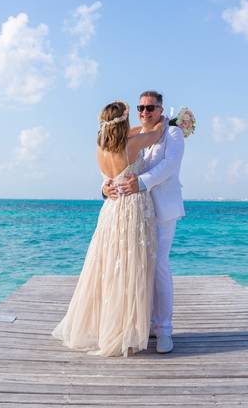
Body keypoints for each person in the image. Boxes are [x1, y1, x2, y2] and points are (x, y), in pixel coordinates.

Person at [52, 101, 166, 357]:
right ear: (123, 121)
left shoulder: (100, 148)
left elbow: (135, 134)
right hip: (133, 208)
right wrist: (166, 117)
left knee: (110, 267)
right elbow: (156, 133)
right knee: (132, 267)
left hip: (111, 210)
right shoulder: (133, 144)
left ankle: (112, 326)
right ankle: (127, 330)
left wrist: (105, 188)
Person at [104, 90, 185, 354]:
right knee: (137, 267)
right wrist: (104, 187)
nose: (145, 112)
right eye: (141, 108)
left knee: (159, 264)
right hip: (133, 213)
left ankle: (164, 330)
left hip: (161, 210)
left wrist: (140, 183)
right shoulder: (134, 134)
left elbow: (169, 166)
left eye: (151, 108)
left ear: (161, 109)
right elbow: (115, 165)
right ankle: (144, 324)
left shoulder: (173, 134)